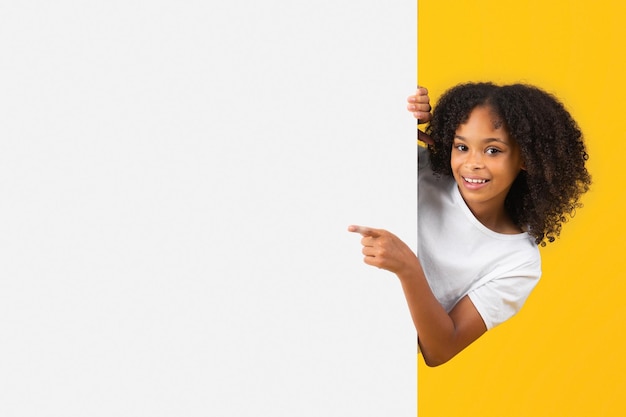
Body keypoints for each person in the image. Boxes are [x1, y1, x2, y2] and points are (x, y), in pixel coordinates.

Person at [348, 83, 591, 366]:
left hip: (369, 357)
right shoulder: (424, 170)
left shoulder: (517, 262)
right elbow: (350, 134)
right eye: (462, 146)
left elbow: (440, 350)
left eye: (492, 150)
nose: (472, 163)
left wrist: (409, 267)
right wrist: (399, 113)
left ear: (525, 157)